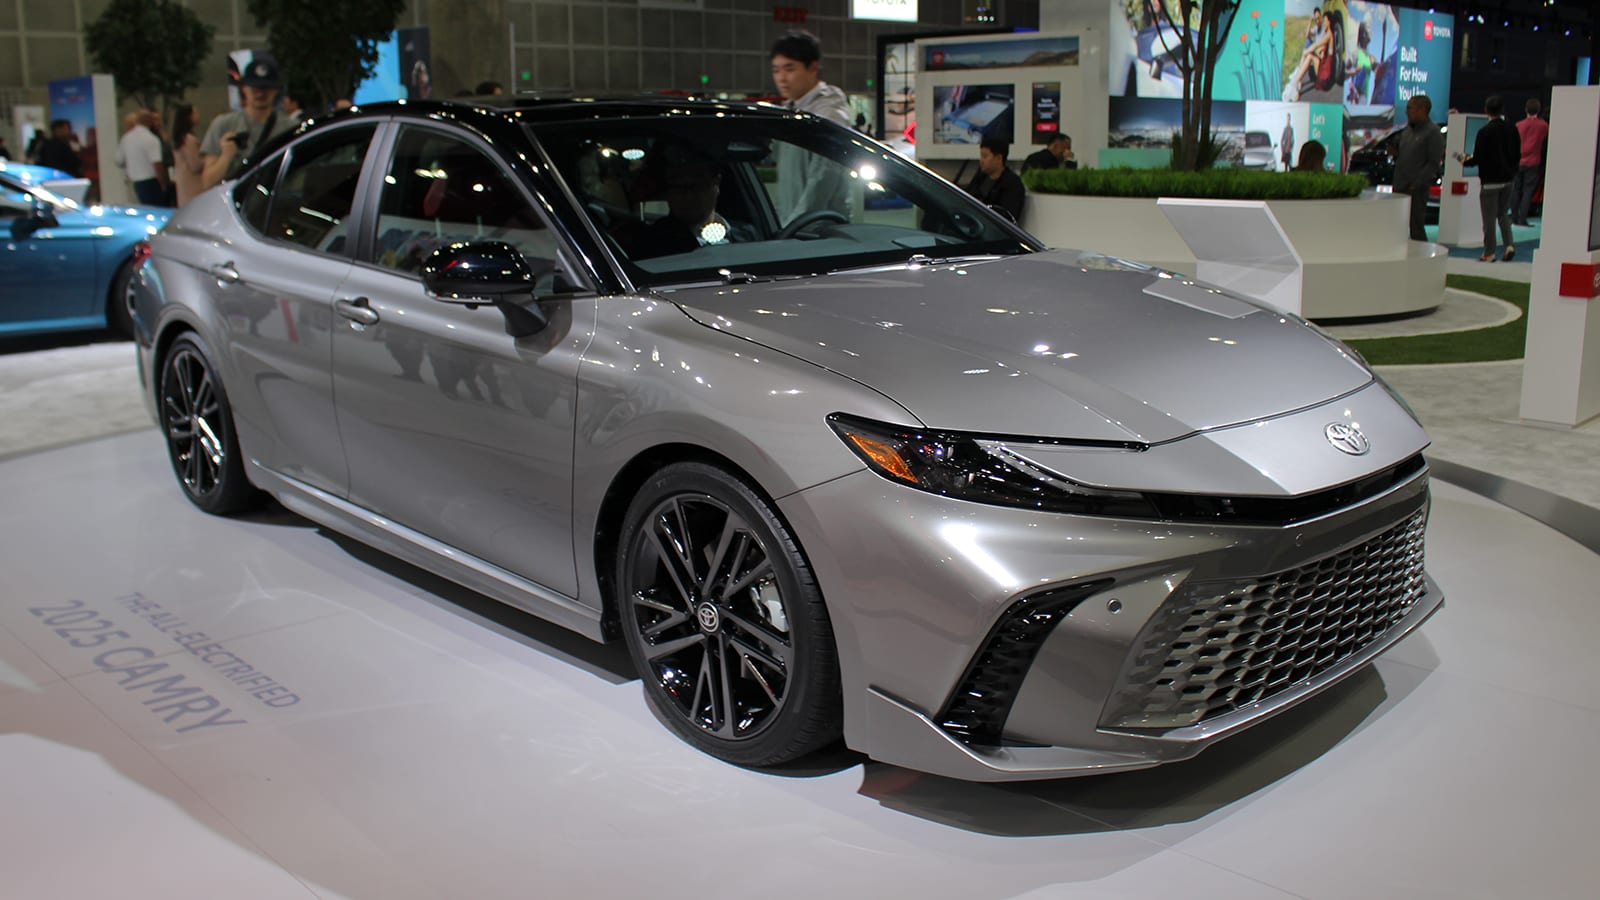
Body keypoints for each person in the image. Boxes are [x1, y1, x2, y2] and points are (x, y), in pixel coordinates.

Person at [769, 30, 852, 225]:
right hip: (793, 225)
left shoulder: (828, 114)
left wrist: (794, 226)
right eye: (776, 70)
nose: (781, 78)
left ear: (813, 68)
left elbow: (822, 179)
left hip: (821, 228)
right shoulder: (790, 111)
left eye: (789, 69)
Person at [630, 139, 740, 259]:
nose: (688, 195)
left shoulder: (747, 235)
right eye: (678, 186)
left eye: (697, 184)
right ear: (667, 192)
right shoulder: (651, 244)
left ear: (717, 183)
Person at [200, 56, 297, 190]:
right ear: (244, 88)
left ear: (276, 90)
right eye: (255, 88)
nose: (260, 94)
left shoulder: (291, 128)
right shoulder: (223, 124)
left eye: (266, 88)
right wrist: (226, 157)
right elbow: (207, 181)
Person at [1457, 95, 1521, 261]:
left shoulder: (1484, 132)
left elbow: (1477, 158)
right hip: (1508, 180)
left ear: (1486, 110)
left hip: (1490, 182)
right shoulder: (1512, 128)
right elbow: (1517, 154)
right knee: (1503, 214)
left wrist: (1462, 159)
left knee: (1489, 219)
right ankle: (1509, 245)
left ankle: (1489, 252)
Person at [1393, 94, 1443, 242]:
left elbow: (1433, 163)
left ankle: (1422, 254)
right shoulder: (1407, 131)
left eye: (1410, 108)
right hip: (1400, 186)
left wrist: (1416, 184)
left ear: (1422, 109)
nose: (1406, 111)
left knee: (1416, 228)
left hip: (1416, 189)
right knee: (1397, 227)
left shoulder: (1433, 133)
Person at [116, 110, 169, 206]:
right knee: (155, 209)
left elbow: (119, 161)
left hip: (134, 182)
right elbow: (157, 164)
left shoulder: (126, 138)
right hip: (151, 183)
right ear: (150, 122)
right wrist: (164, 184)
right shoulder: (151, 139)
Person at [965, 138, 1024, 221]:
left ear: (999, 158)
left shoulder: (1012, 183)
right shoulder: (980, 178)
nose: (981, 161)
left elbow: (1008, 215)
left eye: (985, 156)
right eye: (981, 156)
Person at [1511, 98, 1548, 226]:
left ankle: (1514, 217)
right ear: (1539, 110)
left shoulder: (1518, 125)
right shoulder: (1543, 126)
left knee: (1516, 189)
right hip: (1533, 162)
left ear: (1526, 109)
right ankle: (1522, 219)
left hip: (1518, 161)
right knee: (1528, 191)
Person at [169, 104, 206, 207]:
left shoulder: (180, 139)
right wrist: (208, 159)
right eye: (195, 113)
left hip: (183, 183)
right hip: (192, 184)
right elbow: (195, 165)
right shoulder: (188, 140)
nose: (198, 115)